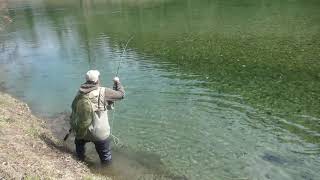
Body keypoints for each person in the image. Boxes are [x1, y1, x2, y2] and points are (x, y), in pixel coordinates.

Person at [70, 70, 125, 165]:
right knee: (105, 156)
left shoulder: (79, 92)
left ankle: (80, 162)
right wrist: (117, 82)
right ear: (97, 80)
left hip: (81, 130)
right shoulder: (104, 91)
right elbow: (121, 95)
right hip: (99, 133)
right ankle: (107, 173)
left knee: (79, 147)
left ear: (86, 80)